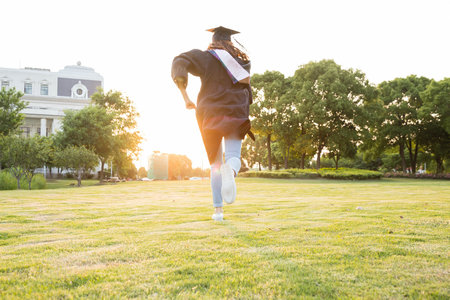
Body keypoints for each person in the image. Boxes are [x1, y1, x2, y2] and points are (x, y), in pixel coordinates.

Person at [171, 26, 254, 221]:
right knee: (233, 157)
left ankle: (218, 211)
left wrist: (185, 95)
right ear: (231, 42)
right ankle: (231, 172)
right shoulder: (242, 62)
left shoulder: (206, 57)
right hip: (235, 112)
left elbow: (180, 61)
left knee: (215, 164)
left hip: (210, 114)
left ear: (213, 40)